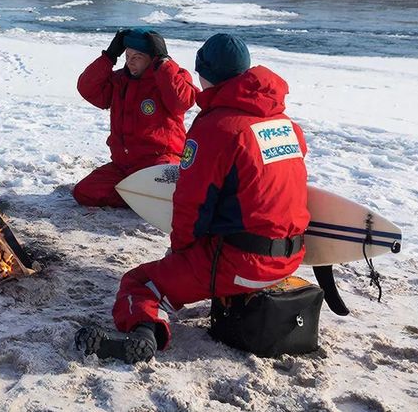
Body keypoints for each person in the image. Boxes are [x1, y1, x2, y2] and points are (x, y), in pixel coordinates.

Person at [81, 33, 310, 362]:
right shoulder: (285, 124)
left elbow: (191, 206)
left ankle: (146, 333)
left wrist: (181, 253)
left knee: (140, 283)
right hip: (290, 258)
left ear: (206, 74)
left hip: (241, 260)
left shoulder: (218, 128)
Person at [73, 28, 198, 207]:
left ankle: (148, 196)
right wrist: (109, 56)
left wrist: (164, 61)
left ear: (152, 58)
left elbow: (182, 101)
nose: (130, 63)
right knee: (84, 192)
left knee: (164, 185)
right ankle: (140, 199)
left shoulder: (171, 77)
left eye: (137, 57)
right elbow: (87, 88)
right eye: (128, 56)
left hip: (160, 162)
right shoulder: (119, 80)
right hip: (123, 166)